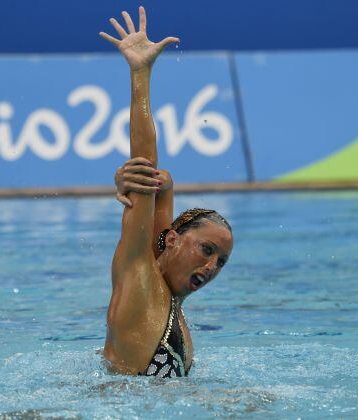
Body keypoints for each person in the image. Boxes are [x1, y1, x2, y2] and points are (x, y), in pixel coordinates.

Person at [100, 7, 234, 377]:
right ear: (172, 239)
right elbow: (145, 168)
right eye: (207, 250)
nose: (211, 267)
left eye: (220, 261)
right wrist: (140, 74)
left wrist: (167, 183)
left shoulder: (169, 303)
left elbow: (158, 182)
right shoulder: (139, 280)